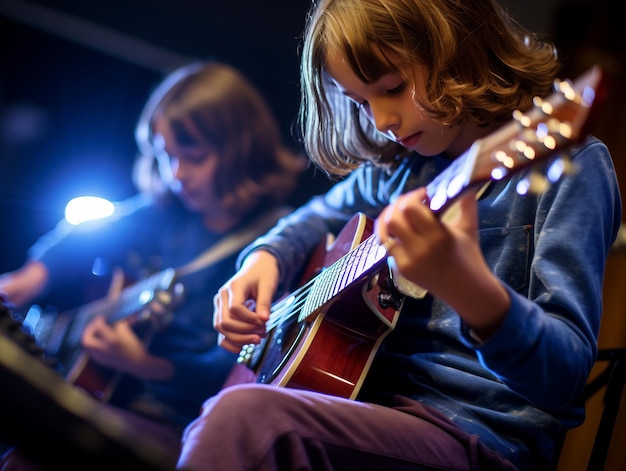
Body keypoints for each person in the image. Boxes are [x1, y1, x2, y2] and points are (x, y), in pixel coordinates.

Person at [175, 1, 623, 470]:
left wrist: (469, 289)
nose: (382, 121)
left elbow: (565, 376)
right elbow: (310, 219)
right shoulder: (395, 172)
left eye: (393, 87)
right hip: (363, 406)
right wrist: (263, 259)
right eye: (360, 103)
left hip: (474, 434)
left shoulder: (572, 169)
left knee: (243, 419)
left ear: (458, 48)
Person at [0, 60, 306, 468]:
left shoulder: (275, 242)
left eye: (193, 157)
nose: (177, 174)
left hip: (181, 423)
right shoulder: (167, 208)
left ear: (240, 147)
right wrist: (29, 278)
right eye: (165, 157)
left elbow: (233, 370)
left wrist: (143, 364)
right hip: (113, 397)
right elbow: (86, 235)